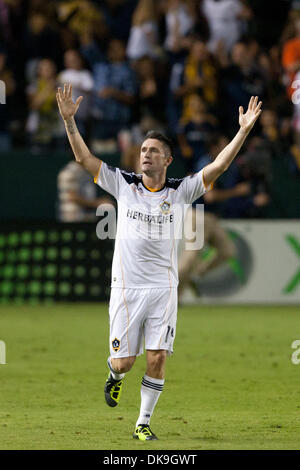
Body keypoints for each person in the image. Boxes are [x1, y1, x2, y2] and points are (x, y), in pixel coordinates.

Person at [56, 84, 262, 441]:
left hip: (163, 289)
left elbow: (219, 165)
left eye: (154, 151)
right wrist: (70, 123)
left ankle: (142, 423)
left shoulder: (181, 191)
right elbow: (84, 159)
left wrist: (242, 130)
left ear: (168, 160)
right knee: (125, 362)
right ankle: (114, 375)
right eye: (143, 150)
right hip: (126, 288)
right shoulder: (123, 184)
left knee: (158, 358)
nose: (146, 155)